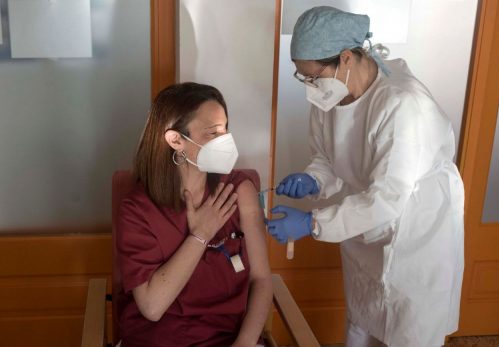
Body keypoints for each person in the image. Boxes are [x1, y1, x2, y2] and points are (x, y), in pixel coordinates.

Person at [265, 6, 464, 347]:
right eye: (303, 77)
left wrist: (312, 223)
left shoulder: (403, 106)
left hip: (415, 234)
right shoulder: (332, 95)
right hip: (365, 229)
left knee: (408, 328)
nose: (310, 87)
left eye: (313, 77)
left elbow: (387, 198)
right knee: (363, 318)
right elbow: (326, 157)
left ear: (345, 58)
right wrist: (313, 178)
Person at [116, 82, 273, 347]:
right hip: (157, 340)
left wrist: (243, 344)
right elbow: (153, 307)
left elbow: (262, 279)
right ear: (176, 140)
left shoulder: (238, 191)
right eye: (213, 133)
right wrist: (200, 235)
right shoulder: (137, 209)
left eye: (226, 129)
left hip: (228, 339)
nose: (225, 140)